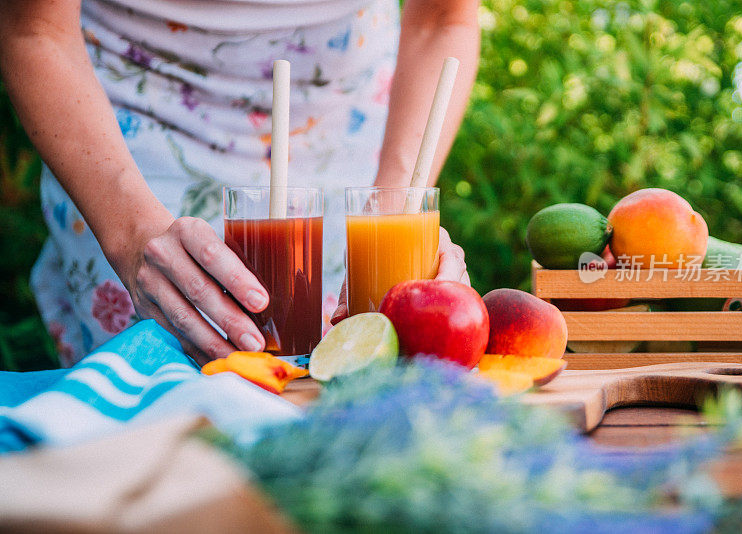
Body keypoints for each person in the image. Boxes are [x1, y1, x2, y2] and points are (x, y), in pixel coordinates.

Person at [0, 0, 479, 366]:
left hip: (344, 125)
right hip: (126, 133)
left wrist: (399, 208)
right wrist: (129, 233)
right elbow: (35, 28)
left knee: (348, 375)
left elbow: (442, 19)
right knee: (157, 390)